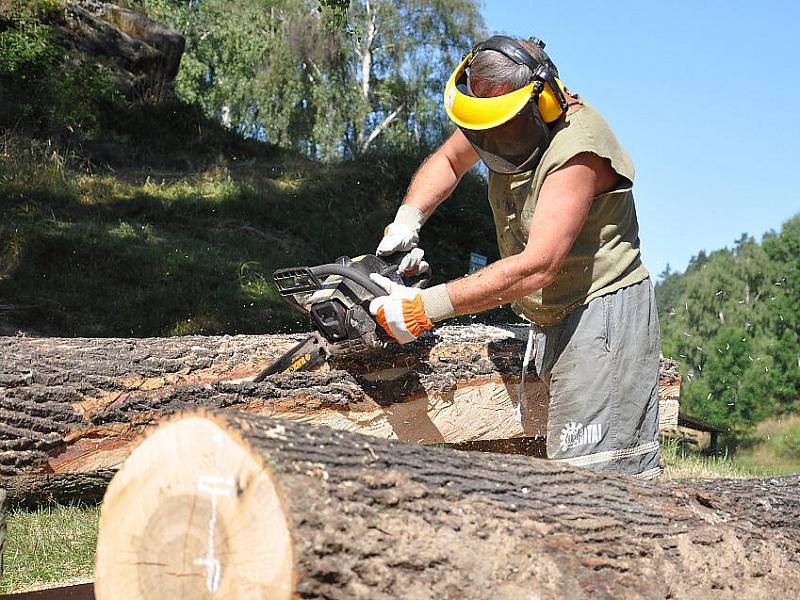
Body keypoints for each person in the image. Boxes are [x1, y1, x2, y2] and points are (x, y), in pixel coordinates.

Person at [368, 35, 661, 479]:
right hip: (550, 313)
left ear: (538, 104)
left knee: (593, 484)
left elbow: (538, 265)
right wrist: (406, 222)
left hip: (600, 316)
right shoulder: (500, 121)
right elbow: (450, 159)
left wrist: (422, 308)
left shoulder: (577, 148)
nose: (488, 142)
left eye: (500, 128)